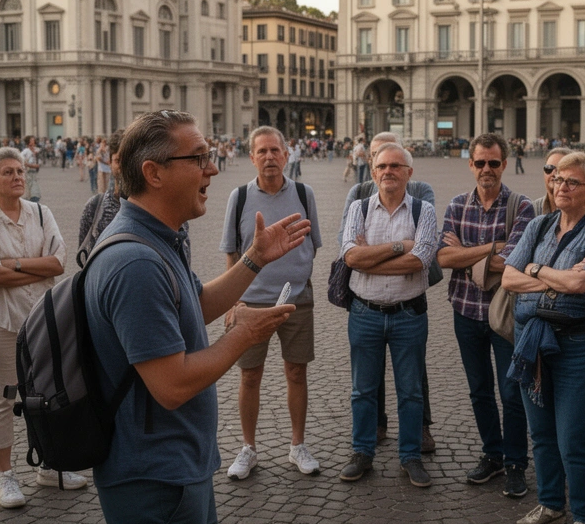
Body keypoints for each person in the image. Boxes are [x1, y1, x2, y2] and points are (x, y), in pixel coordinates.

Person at [84, 110, 309, 524]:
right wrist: (242, 334)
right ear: (154, 173)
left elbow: (197, 303)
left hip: (181, 466)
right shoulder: (135, 263)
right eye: (200, 158)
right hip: (154, 477)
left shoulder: (159, 238)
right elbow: (172, 385)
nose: (212, 169)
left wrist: (253, 260)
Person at [500, 152, 585, 524]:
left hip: (577, 344)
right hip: (530, 337)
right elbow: (508, 277)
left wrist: (535, 271)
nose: (560, 186)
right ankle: (551, 504)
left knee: (573, 437)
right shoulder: (538, 223)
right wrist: (551, 277)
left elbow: (582, 285)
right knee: (542, 432)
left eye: (572, 182)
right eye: (556, 178)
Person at [0, 147, 78, 509]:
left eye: (20, 171)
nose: (17, 177)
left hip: (42, 319)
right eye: (8, 172)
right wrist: (34, 267)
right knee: (3, 397)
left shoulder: (42, 213)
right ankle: (5, 475)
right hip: (0, 320)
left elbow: (58, 264)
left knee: (45, 392)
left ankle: (47, 463)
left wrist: (11, 264)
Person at [219, 126, 323, 479]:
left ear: (286, 154)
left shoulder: (305, 194)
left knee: (296, 372)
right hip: (250, 302)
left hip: (297, 299)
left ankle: (297, 445)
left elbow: (313, 245)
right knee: (249, 377)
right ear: (251, 157)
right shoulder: (240, 198)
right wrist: (233, 300)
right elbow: (231, 252)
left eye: (275, 150)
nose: (269, 157)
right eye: (261, 151)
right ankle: (248, 448)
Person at [437, 133, 536, 499]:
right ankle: (492, 454)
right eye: (480, 163)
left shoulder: (521, 207)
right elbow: (443, 258)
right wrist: (491, 249)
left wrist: (467, 252)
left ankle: (515, 463)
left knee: (511, 391)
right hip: (465, 311)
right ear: (471, 164)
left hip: (505, 313)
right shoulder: (457, 205)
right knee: (479, 390)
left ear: (504, 164)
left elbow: (514, 262)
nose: (486, 169)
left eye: (493, 163)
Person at [338, 144, 439, 488]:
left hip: (408, 314)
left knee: (411, 392)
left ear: (409, 173)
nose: (388, 171)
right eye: (382, 166)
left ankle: (410, 456)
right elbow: (351, 257)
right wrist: (401, 246)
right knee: (362, 390)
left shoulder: (424, 210)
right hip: (364, 313)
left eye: (396, 166)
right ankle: (362, 452)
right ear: (373, 169)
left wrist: (372, 257)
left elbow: (421, 260)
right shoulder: (358, 206)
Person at [79, 130, 126, 262]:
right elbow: (84, 259)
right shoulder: (94, 207)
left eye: (129, 160)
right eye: (118, 160)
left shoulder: (158, 210)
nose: (124, 166)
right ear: (110, 162)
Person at [532, 147, 574, 215]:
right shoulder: (532, 209)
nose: (554, 173)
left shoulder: (579, 210)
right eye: (549, 168)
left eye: (560, 169)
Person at [21, 137, 42, 203]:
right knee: (32, 191)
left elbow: (39, 160)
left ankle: (32, 203)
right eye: (32, 140)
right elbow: (21, 160)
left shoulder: (36, 150)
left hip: (34, 173)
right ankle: (32, 203)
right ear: (28, 142)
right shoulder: (26, 151)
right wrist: (31, 165)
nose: (34, 141)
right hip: (28, 173)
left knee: (34, 190)